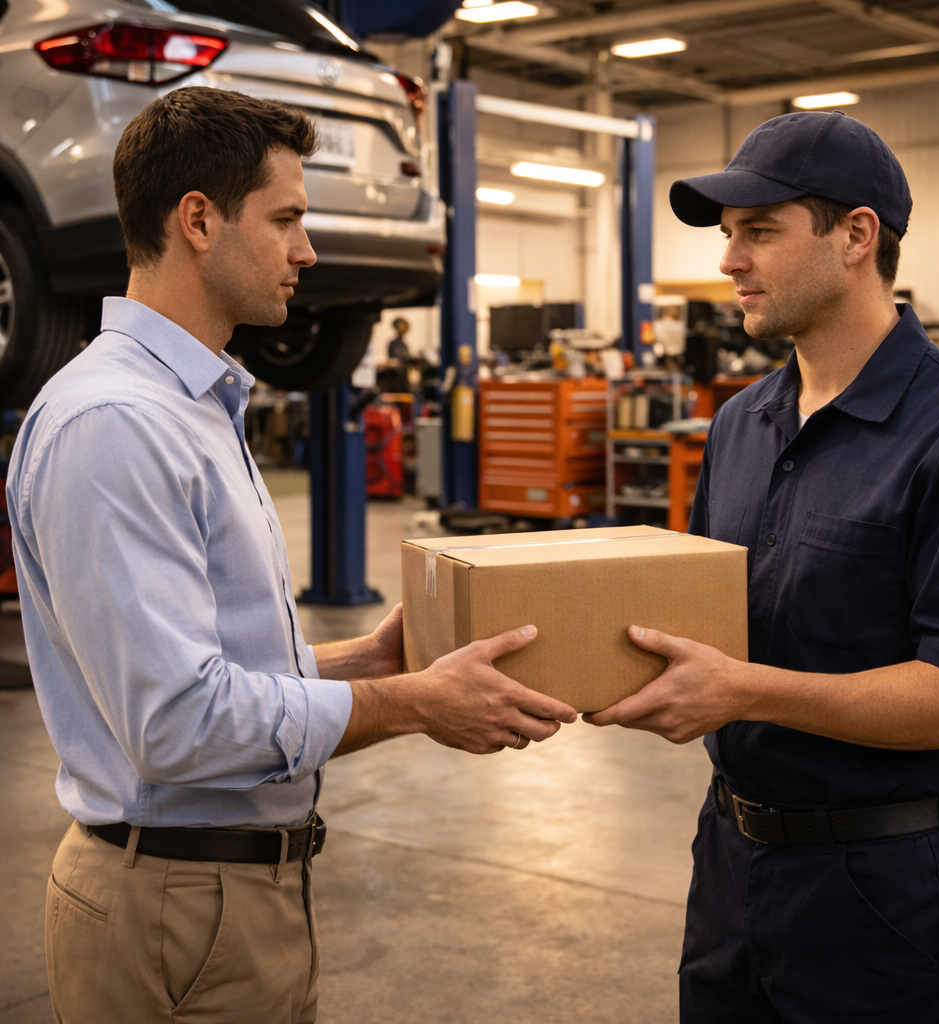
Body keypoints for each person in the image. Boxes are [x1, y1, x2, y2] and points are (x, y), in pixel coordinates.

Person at [7, 87, 576, 1024]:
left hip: (231, 896)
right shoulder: (116, 423)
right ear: (198, 220)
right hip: (172, 911)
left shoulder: (192, 406)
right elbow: (178, 724)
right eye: (287, 219)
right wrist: (408, 707)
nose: (307, 250)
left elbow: (213, 669)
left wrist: (370, 663)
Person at [586, 110, 939, 1022]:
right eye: (727, 236)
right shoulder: (741, 422)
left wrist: (742, 691)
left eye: (760, 232)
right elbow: (709, 625)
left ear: (856, 235)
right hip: (731, 864)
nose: (728, 262)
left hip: (881, 894)